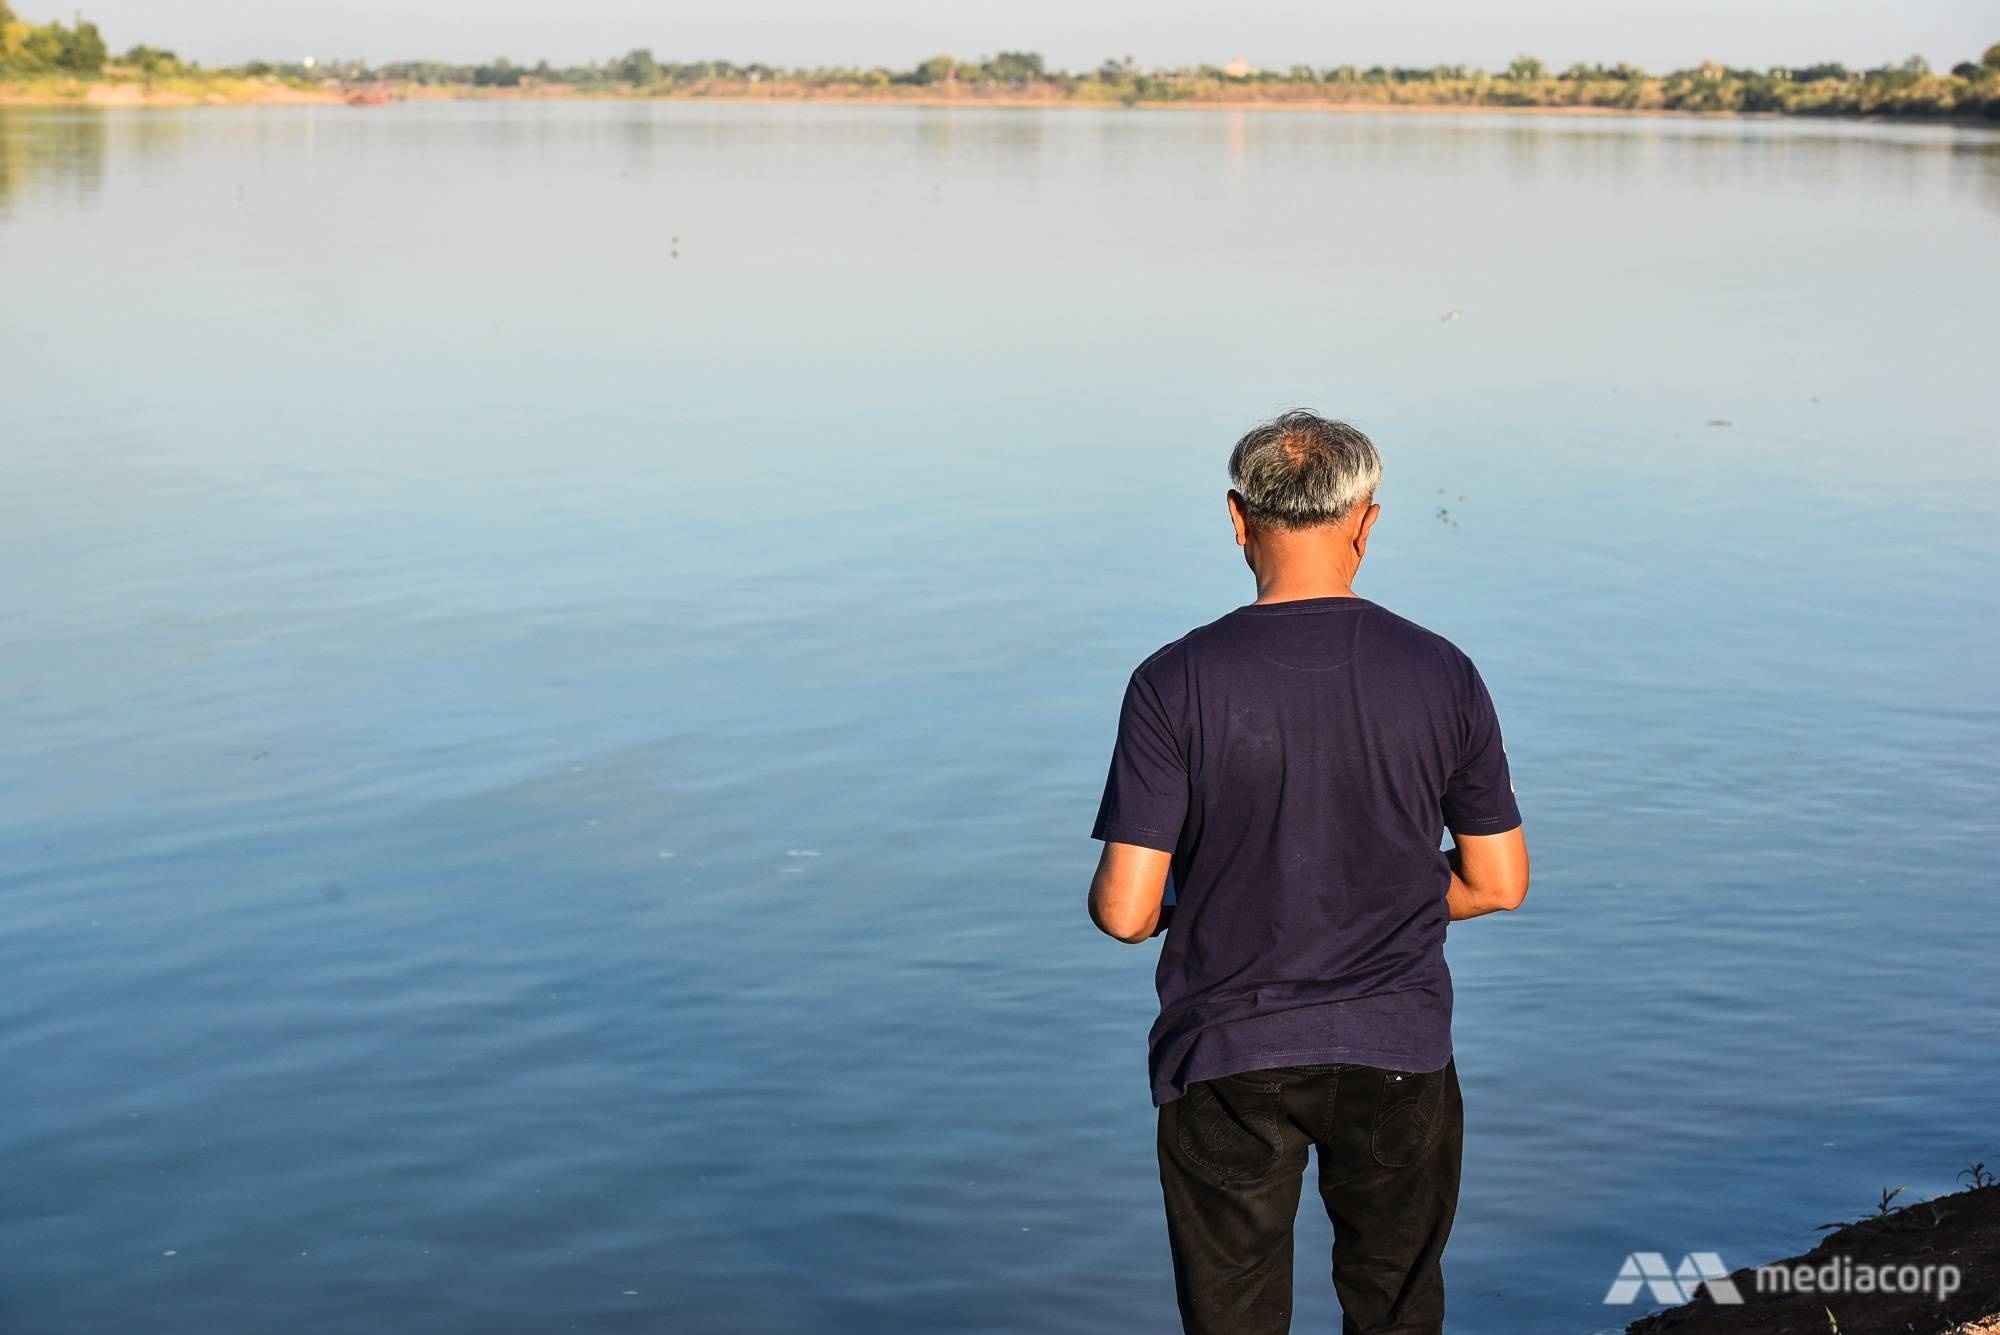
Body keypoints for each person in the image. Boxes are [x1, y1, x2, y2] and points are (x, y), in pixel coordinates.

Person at [1087, 411, 1530, 1335]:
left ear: (1239, 519)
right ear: (1367, 520)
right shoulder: (1443, 672)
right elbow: (1497, 881)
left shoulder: (1172, 681)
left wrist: (1212, 896)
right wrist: (1394, 889)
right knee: (1395, 1309)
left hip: (1228, 1056)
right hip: (1398, 1048)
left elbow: (1127, 911)